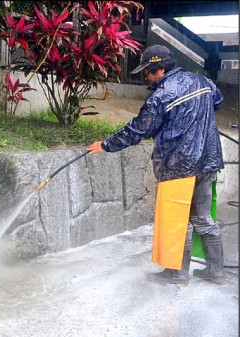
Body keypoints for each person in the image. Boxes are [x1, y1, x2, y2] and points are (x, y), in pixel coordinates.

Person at [87, 44, 225, 286]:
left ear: (159, 69)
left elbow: (138, 129)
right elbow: (218, 101)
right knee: (203, 218)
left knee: (177, 219)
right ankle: (216, 272)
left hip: (178, 165)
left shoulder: (161, 96)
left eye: (147, 72)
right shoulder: (203, 82)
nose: (145, 77)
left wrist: (107, 145)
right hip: (208, 159)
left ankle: (177, 274)